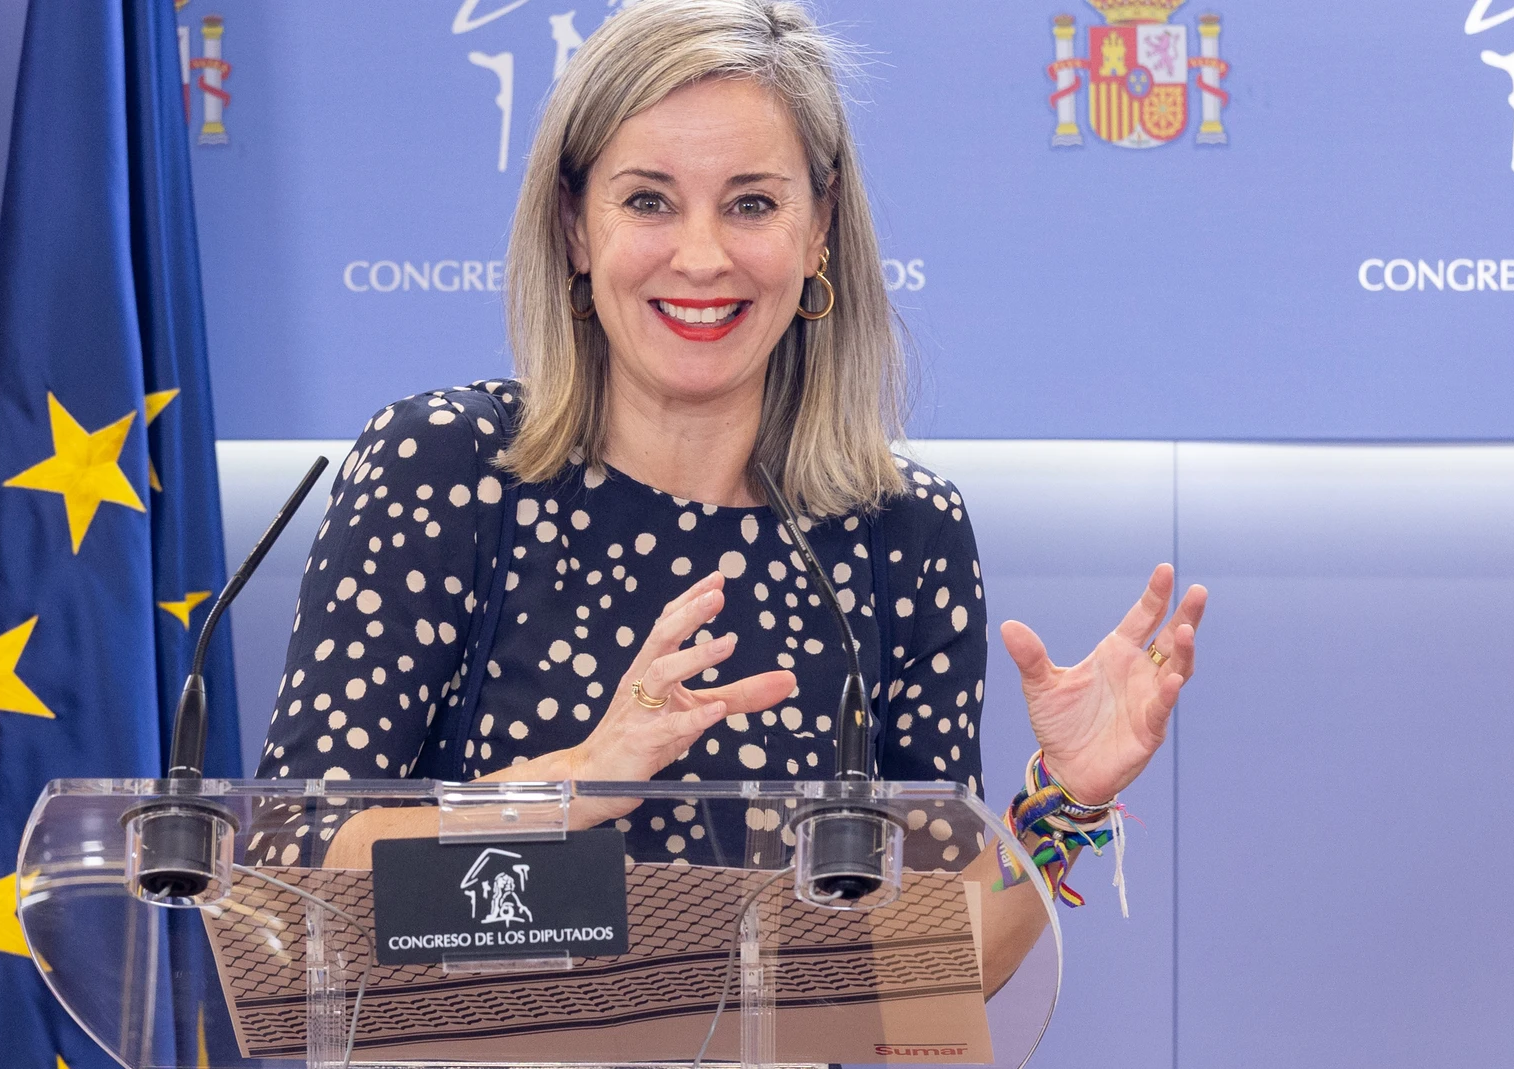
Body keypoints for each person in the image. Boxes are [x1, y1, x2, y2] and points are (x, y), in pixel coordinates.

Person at [254, 0, 1205, 910]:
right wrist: (570, 784)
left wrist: (1064, 807)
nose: (703, 257)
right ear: (576, 225)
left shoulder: (903, 535)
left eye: (751, 203)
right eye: (649, 201)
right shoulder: (450, 471)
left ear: (818, 228)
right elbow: (284, 870)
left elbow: (926, 970)